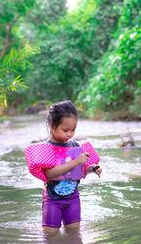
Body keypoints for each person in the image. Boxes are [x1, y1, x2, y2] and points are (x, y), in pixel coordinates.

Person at [42, 100, 102, 235]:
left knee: (74, 234)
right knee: (50, 235)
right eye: (65, 130)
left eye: (73, 129)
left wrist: (92, 168)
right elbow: (50, 174)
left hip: (73, 198)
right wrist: (76, 162)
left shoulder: (74, 146)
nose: (70, 134)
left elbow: (79, 170)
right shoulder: (46, 149)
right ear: (52, 126)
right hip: (53, 200)